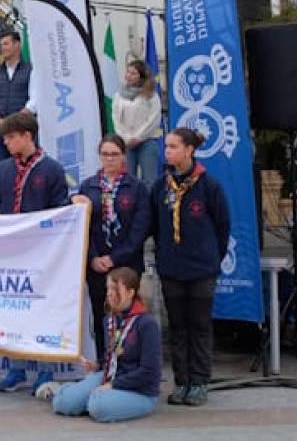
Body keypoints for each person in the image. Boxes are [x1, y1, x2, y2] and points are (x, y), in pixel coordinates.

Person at [0, 111, 71, 394]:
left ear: (28, 136)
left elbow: (61, 212)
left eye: (11, 137)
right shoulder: (4, 169)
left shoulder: (51, 169)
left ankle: (45, 369)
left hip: (42, 254)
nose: (5, 142)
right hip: (10, 253)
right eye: (5, 137)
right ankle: (16, 368)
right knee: (12, 311)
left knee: (41, 310)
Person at [151, 127, 231, 407]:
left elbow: (222, 227)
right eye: (166, 146)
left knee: (199, 325)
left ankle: (199, 381)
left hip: (201, 269)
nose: (167, 151)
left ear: (189, 150)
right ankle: (181, 381)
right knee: (177, 326)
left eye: (173, 146)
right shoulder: (161, 186)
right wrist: (164, 255)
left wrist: (211, 258)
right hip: (172, 268)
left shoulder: (209, 185)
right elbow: (154, 226)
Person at [70, 135, 151, 361]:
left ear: (123, 156)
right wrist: (93, 258)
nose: (109, 159)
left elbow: (140, 229)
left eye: (114, 154)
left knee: (127, 315)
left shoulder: (136, 188)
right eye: (105, 154)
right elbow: (83, 226)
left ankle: (129, 363)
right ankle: (103, 363)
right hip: (96, 265)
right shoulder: (88, 187)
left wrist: (114, 258)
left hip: (127, 263)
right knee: (101, 316)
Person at [50, 266, 161, 422]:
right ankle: (72, 393)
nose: (109, 293)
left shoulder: (146, 324)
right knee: (63, 403)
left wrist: (113, 385)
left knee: (98, 406)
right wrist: (97, 365)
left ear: (130, 292)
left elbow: (149, 371)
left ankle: (99, 400)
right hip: (109, 377)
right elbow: (112, 354)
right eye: (108, 288)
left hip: (139, 390)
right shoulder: (109, 320)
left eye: (115, 289)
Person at [0, 31, 37, 164]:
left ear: (17, 45)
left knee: (27, 165)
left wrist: (16, 122)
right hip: (0, 132)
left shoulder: (31, 70)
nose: (3, 48)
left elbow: (34, 101)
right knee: (3, 169)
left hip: (24, 131)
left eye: (6, 44)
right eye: (1, 45)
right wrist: (0, 122)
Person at [113, 61, 163, 187]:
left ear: (141, 76)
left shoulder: (151, 96)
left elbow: (153, 119)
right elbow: (116, 119)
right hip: (126, 142)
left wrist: (138, 137)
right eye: (128, 72)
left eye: (133, 73)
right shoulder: (119, 96)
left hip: (147, 141)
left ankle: (149, 200)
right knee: (127, 179)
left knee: (149, 181)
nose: (129, 76)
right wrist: (127, 138)